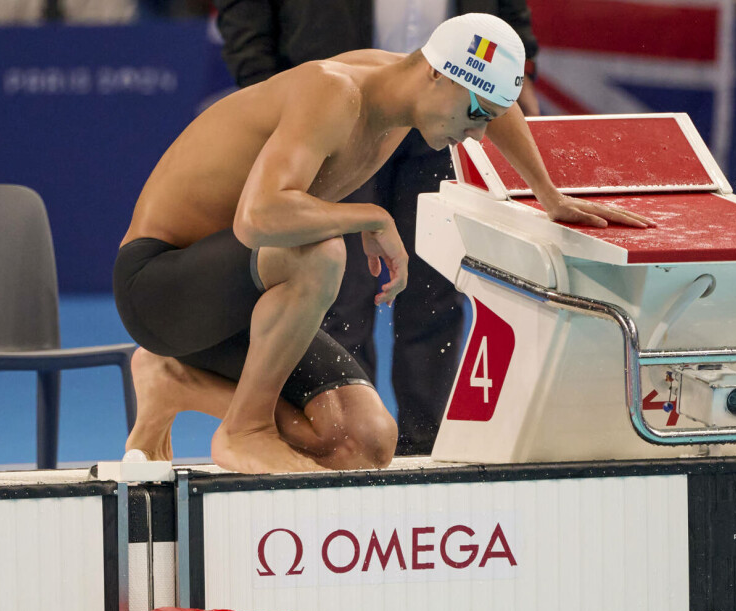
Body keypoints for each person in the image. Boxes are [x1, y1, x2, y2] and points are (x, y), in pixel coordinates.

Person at [114, 13, 654, 474]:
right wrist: (367, 216)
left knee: (362, 444)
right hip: (162, 288)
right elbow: (257, 218)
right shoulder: (335, 92)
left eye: (486, 119)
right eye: (474, 116)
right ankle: (244, 429)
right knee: (320, 247)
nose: (478, 135)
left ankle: (172, 383)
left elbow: (498, 103)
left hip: (242, 303)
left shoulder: (415, 90)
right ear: (436, 76)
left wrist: (548, 194)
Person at [214, 0, 540, 456]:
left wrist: (548, 189)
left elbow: (492, 52)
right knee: (337, 294)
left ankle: (428, 448)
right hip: (340, 114)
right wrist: (270, 87)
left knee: (437, 294)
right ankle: (344, 441)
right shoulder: (331, 92)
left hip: (438, 120)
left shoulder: (463, 94)